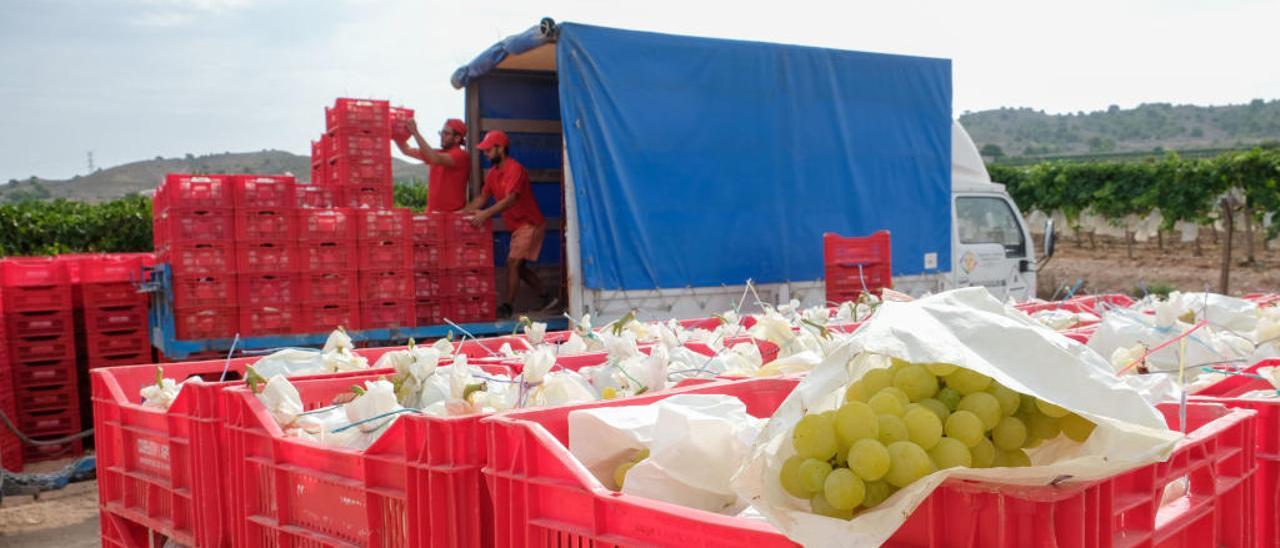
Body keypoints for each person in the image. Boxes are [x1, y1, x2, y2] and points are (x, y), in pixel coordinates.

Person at [462, 130, 557, 317]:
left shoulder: (515, 169)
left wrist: (486, 214)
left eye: (488, 150)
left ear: (501, 148)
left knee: (512, 263)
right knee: (519, 267)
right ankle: (546, 297)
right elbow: (482, 197)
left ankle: (507, 307)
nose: (485, 153)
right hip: (518, 226)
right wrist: (460, 215)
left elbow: (511, 199)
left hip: (530, 223)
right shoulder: (492, 174)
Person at [397, 118, 470, 212]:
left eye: (446, 134)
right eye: (441, 133)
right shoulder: (437, 153)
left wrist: (415, 132)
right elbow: (406, 150)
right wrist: (395, 132)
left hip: (451, 218)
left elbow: (435, 158)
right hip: (434, 216)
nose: (442, 136)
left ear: (457, 138)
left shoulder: (461, 155)